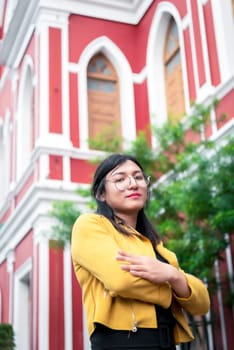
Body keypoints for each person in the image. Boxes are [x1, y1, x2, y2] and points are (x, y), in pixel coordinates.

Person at [71, 153, 210, 350]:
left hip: (166, 342)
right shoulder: (90, 225)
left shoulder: (156, 245)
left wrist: (171, 274)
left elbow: (202, 303)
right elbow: (122, 281)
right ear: (101, 194)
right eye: (120, 179)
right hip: (124, 343)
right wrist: (175, 286)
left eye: (138, 177)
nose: (133, 184)